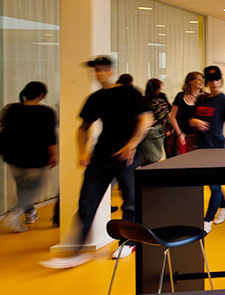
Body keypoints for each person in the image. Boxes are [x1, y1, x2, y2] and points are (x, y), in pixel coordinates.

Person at [41, 56, 152, 269]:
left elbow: (146, 119)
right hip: (101, 157)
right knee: (86, 204)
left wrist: (131, 144)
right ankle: (77, 251)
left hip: (127, 158)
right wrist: (83, 151)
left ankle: (128, 242)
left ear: (111, 71)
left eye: (102, 70)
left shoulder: (129, 93)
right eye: (96, 70)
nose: (98, 74)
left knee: (130, 202)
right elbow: (82, 128)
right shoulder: (96, 98)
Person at [0, 82, 57, 233]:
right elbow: (50, 137)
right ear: (41, 95)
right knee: (32, 191)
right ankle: (14, 214)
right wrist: (53, 155)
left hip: (13, 156)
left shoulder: (12, 109)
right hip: (36, 158)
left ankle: (30, 214)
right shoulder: (46, 112)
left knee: (22, 187)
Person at [191, 65, 225, 232]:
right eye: (211, 80)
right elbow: (192, 119)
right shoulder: (202, 99)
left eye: (217, 79)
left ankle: (208, 219)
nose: (214, 83)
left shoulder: (224, 100)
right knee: (212, 183)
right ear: (207, 82)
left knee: (214, 186)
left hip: (216, 148)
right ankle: (224, 207)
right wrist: (194, 121)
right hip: (202, 147)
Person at [168, 71, 204, 156]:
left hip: (200, 137)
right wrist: (179, 133)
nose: (201, 81)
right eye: (198, 79)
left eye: (202, 79)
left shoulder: (205, 97)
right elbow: (172, 116)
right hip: (183, 136)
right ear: (190, 81)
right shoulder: (180, 96)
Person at [138, 79, 171, 166]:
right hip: (157, 132)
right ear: (158, 88)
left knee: (145, 160)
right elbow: (165, 116)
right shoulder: (160, 100)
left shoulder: (143, 100)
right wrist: (167, 129)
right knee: (156, 159)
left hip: (143, 132)